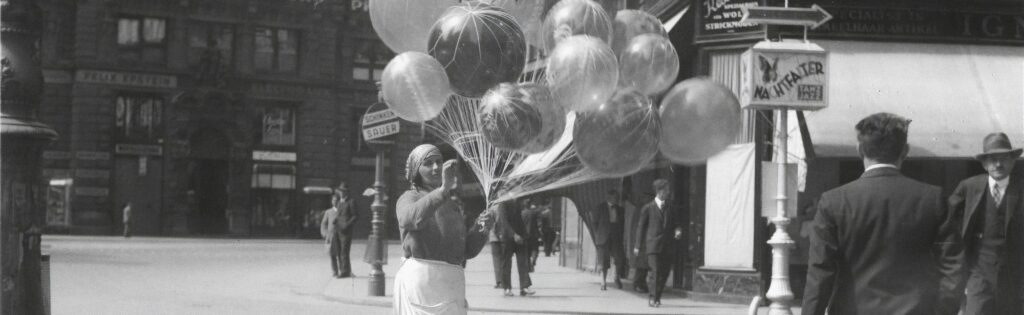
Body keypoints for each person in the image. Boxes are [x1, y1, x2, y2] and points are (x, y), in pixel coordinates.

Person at [802, 112, 962, 315]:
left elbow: (820, 273)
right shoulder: (933, 199)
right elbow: (953, 267)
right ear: (905, 151)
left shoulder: (833, 202)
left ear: (859, 150)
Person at [393, 144, 493, 315]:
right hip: (422, 284)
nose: (436, 167)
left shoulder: (451, 204)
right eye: (428, 163)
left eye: (439, 162)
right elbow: (409, 219)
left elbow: (466, 250)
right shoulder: (409, 197)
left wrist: (482, 227)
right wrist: (442, 190)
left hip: (451, 284)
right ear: (416, 170)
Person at [949, 132, 1024, 315]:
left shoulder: (1021, 188)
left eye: (1004, 158)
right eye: (993, 159)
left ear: (1013, 161)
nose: (998, 164)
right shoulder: (969, 186)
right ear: (984, 163)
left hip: (1014, 277)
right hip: (978, 274)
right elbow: (946, 219)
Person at [633, 179, 681, 307]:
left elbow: (677, 224)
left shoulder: (671, 208)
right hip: (653, 246)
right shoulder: (648, 208)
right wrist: (637, 245)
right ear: (659, 191)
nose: (668, 192)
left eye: (668, 190)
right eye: (666, 190)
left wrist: (678, 231)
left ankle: (657, 296)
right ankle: (653, 298)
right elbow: (640, 228)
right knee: (655, 271)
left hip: (667, 245)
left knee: (664, 273)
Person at [495, 199, 536, 297]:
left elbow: (520, 220)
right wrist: (514, 234)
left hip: (520, 237)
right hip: (507, 237)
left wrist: (524, 235)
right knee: (506, 264)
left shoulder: (517, 201)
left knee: (523, 262)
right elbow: (504, 221)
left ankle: (524, 287)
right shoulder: (503, 203)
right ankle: (507, 288)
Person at [594, 190, 627, 290]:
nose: (617, 199)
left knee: (619, 258)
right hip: (604, 237)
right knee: (604, 260)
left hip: (616, 237)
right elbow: (595, 222)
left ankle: (616, 277)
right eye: (615, 197)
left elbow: (622, 224)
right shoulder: (600, 208)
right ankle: (603, 281)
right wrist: (600, 234)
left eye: (617, 197)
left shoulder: (621, 210)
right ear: (609, 197)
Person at [520, 198, 541, 271]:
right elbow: (538, 222)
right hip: (534, 234)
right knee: (535, 249)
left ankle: (528, 266)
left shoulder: (521, 213)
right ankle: (533, 261)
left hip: (525, 235)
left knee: (527, 251)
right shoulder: (534, 213)